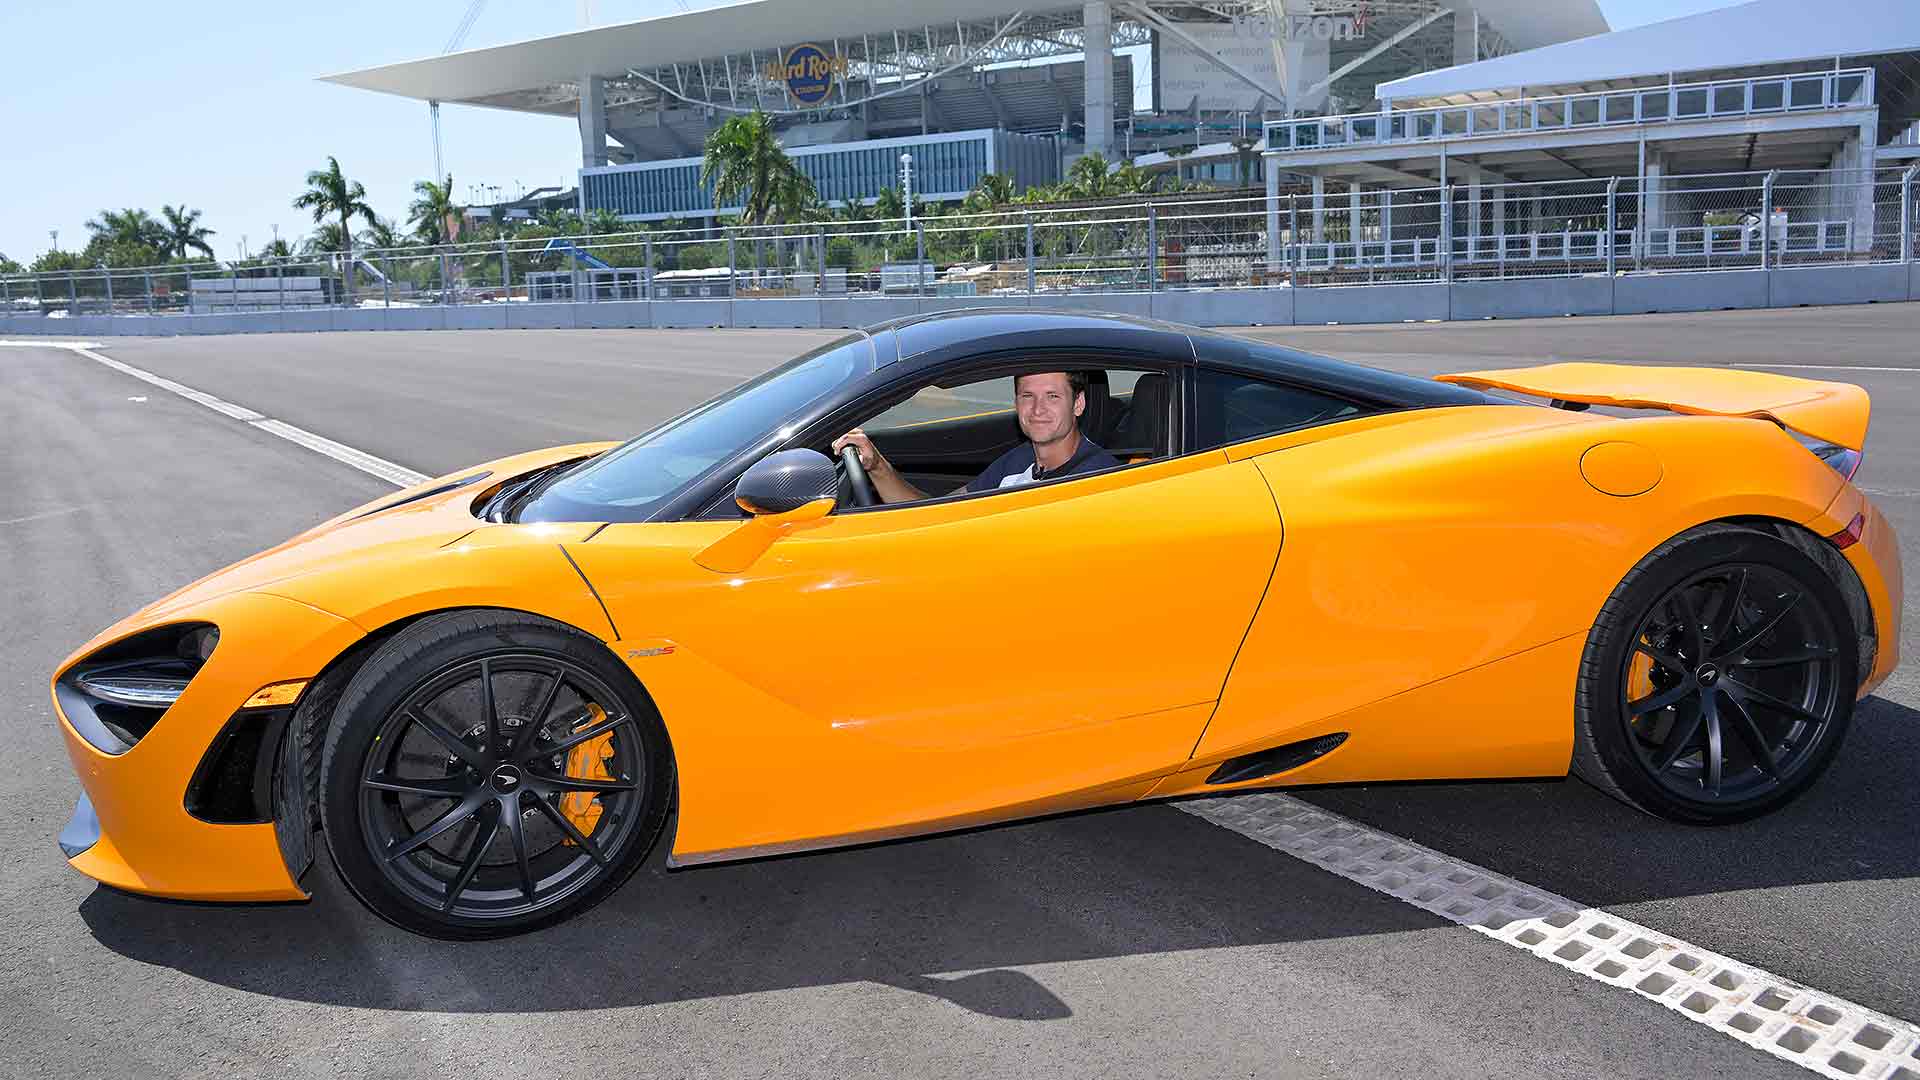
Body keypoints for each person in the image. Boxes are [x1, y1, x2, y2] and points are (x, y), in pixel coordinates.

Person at [832, 370, 1121, 504]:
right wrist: (877, 467)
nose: (1037, 410)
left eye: (1053, 397)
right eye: (1027, 396)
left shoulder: (1098, 480)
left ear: (1078, 404)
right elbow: (936, 515)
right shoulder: (1018, 461)